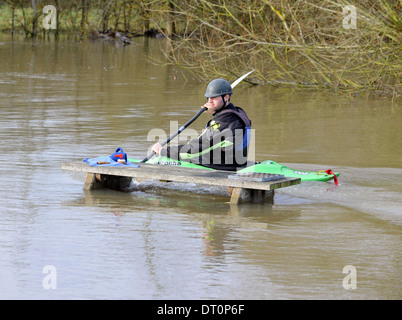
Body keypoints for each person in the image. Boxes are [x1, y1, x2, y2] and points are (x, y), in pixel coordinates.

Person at [151, 79, 251, 171]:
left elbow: (198, 147)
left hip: (224, 165)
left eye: (214, 98)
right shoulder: (235, 112)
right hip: (229, 161)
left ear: (226, 97)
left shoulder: (226, 121)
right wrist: (215, 113)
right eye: (208, 98)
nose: (209, 101)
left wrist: (164, 151)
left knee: (175, 156)